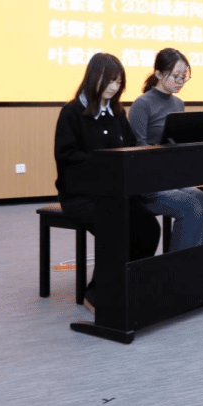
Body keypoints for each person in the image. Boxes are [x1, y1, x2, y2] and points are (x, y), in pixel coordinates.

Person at [54, 53, 161, 312]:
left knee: (148, 227)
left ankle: (130, 282)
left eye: (119, 82)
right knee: (116, 227)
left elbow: (132, 146)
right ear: (94, 78)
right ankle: (97, 293)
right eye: (110, 81)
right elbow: (67, 156)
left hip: (115, 193)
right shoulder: (72, 113)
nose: (114, 87)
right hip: (81, 196)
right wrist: (102, 163)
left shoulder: (117, 113)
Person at [126, 47, 203, 251]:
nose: (180, 81)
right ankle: (176, 268)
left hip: (172, 178)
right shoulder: (142, 104)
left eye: (184, 77)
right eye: (176, 76)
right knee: (192, 208)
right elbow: (136, 150)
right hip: (147, 183)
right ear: (159, 74)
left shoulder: (178, 104)